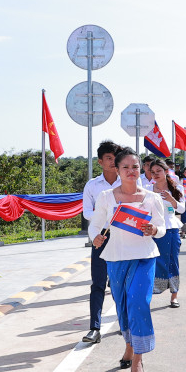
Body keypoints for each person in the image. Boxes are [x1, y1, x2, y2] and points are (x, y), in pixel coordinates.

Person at [88, 148, 167, 372]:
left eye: (135, 167)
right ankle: (129, 347)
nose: (131, 171)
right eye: (126, 167)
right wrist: (96, 238)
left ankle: (138, 360)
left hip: (144, 256)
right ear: (117, 170)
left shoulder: (151, 198)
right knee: (123, 306)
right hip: (116, 258)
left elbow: (161, 228)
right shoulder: (106, 197)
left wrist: (153, 230)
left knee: (138, 303)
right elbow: (95, 225)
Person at [80, 140, 121, 344]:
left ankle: (125, 323)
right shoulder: (92, 185)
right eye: (109, 158)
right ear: (100, 162)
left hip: (123, 238)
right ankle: (94, 328)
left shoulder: (128, 182)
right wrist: (101, 220)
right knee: (98, 283)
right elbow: (87, 211)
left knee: (119, 283)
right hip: (101, 237)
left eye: (116, 158)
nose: (113, 162)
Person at [150, 159, 184, 308]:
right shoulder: (147, 190)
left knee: (172, 260)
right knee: (154, 261)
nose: (156, 174)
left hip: (171, 229)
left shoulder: (176, 188)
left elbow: (182, 209)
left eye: (159, 171)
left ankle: (174, 295)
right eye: (153, 172)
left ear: (165, 172)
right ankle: (151, 291)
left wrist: (172, 200)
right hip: (154, 230)